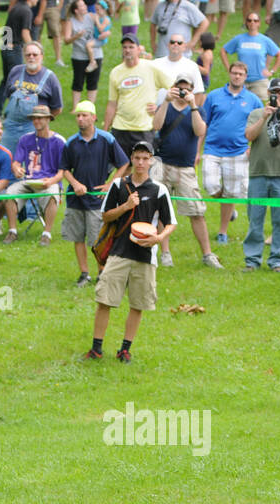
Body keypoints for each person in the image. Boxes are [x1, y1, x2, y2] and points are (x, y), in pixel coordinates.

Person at [86, 140, 175, 363]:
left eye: (145, 158)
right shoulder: (118, 185)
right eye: (137, 158)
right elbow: (105, 216)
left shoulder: (159, 189)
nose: (141, 162)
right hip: (118, 251)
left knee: (138, 304)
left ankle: (125, 349)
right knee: (104, 300)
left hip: (145, 256)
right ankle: (96, 348)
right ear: (132, 159)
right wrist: (125, 207)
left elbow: (170, 222)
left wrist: (158, 238)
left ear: (151, 161)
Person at [152, 76, 221, 268]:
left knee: (196, 212)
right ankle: (165, 253)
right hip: (162, 164)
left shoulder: (198, 110)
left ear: (192, 90)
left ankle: (207, 254)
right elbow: (156, 126)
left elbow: (200, 131)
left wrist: (192, 105)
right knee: (161, 210)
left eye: (186, 88)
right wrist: (166, 100)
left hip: (186, 168)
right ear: (173, 87)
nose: (182, 91)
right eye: (179, 87)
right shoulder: (166, 105)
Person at [61, 99, 126, 284]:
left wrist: (110, 185)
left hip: (97, 200)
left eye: (84, 115)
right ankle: (84, 273)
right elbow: (65, 169)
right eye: (78, 116)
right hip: (76, 199)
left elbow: (123, 163)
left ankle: (101, 272)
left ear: (94, 118)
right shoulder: (71, 143)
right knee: (77, 236)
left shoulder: (107, 139)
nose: (80, 119)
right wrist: (74, 184)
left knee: (98, 238)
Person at [242, 75, 280, 272]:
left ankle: (277, 259)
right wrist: (265, 117)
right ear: (268, 93)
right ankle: (252, 259)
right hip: (258, 172)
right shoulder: (257, 113)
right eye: (273, 92)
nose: (277, 95)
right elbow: (249, 135)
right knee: (255, 218)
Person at [201, 60, 259, 243]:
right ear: (229, 73)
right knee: (210, 186)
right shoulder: (213, 96)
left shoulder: (253, 100)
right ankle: (230, 209)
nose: (237, 76)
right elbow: (203, 124)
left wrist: (253, 149)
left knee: (231, 193)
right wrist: (196, 151)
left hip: (239, 151)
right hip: (212, 149)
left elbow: (259, 127)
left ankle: (222, 232)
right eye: (234, 73)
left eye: (240, 74)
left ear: (245, 77)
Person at [2, 103, 65, 244]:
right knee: (10, 193)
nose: (37, 121)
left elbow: (63, 172)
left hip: (49, 180)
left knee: (53, 195)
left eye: (40, 118)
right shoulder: (25, 139)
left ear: (49, 119)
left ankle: (46, 234)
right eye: (34, 118)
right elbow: (16, 162)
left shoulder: (59, 142)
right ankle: (12, 231)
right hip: (28, 180)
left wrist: (51, 181)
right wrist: (16, 169)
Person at [0, 42, 64, 150]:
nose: (31, 57)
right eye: (28, 55)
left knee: (31, 161)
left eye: (35, 54)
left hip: (33, 126)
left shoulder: (50, 78)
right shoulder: (15, 71)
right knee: (6, 157)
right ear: (24, 56)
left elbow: (57, 108)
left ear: (41, 56)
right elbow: (9, 96)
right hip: (10, 126)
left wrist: (42, 121)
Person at [221, 12, 280, 102]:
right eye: (250, 20)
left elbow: (279, 54)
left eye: (255, 20)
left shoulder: (264, 40)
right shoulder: (239, 39)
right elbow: (223, 51)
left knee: (260, 108)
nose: (252, 22)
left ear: (259, 23)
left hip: (259, 81)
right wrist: (229, 68)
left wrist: (272, 71)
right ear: (246, 23)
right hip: (241, 80)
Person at [0, 0, 33, 118]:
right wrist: (34, 49)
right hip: (13, 49)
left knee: (7, 82)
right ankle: (10, 113)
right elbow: (25, 32)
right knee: (16, 83)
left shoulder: (15, 7)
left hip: (6, 47)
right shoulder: (26, 10)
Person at [64, 0, 101, 110]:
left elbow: (103, 25)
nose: (85, 6)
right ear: (76, 10)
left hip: (96, 54)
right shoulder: (71, 22)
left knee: (93, 82)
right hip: (79, 56)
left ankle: (90, 107)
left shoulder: (92, 17)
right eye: (82, 5)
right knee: (78, 81)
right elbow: (66, 40)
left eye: (84, 5)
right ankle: (75, 108)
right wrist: (77, 36)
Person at [160, 30, 205, 104]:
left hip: (182, 111)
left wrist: (193, 110)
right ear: (168, 45)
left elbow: (198, 92)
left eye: (179, 43)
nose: (175, 44)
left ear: (184, 47)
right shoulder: (156, 63)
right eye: (172, 42)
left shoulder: (192, 66)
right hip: (159, 110)